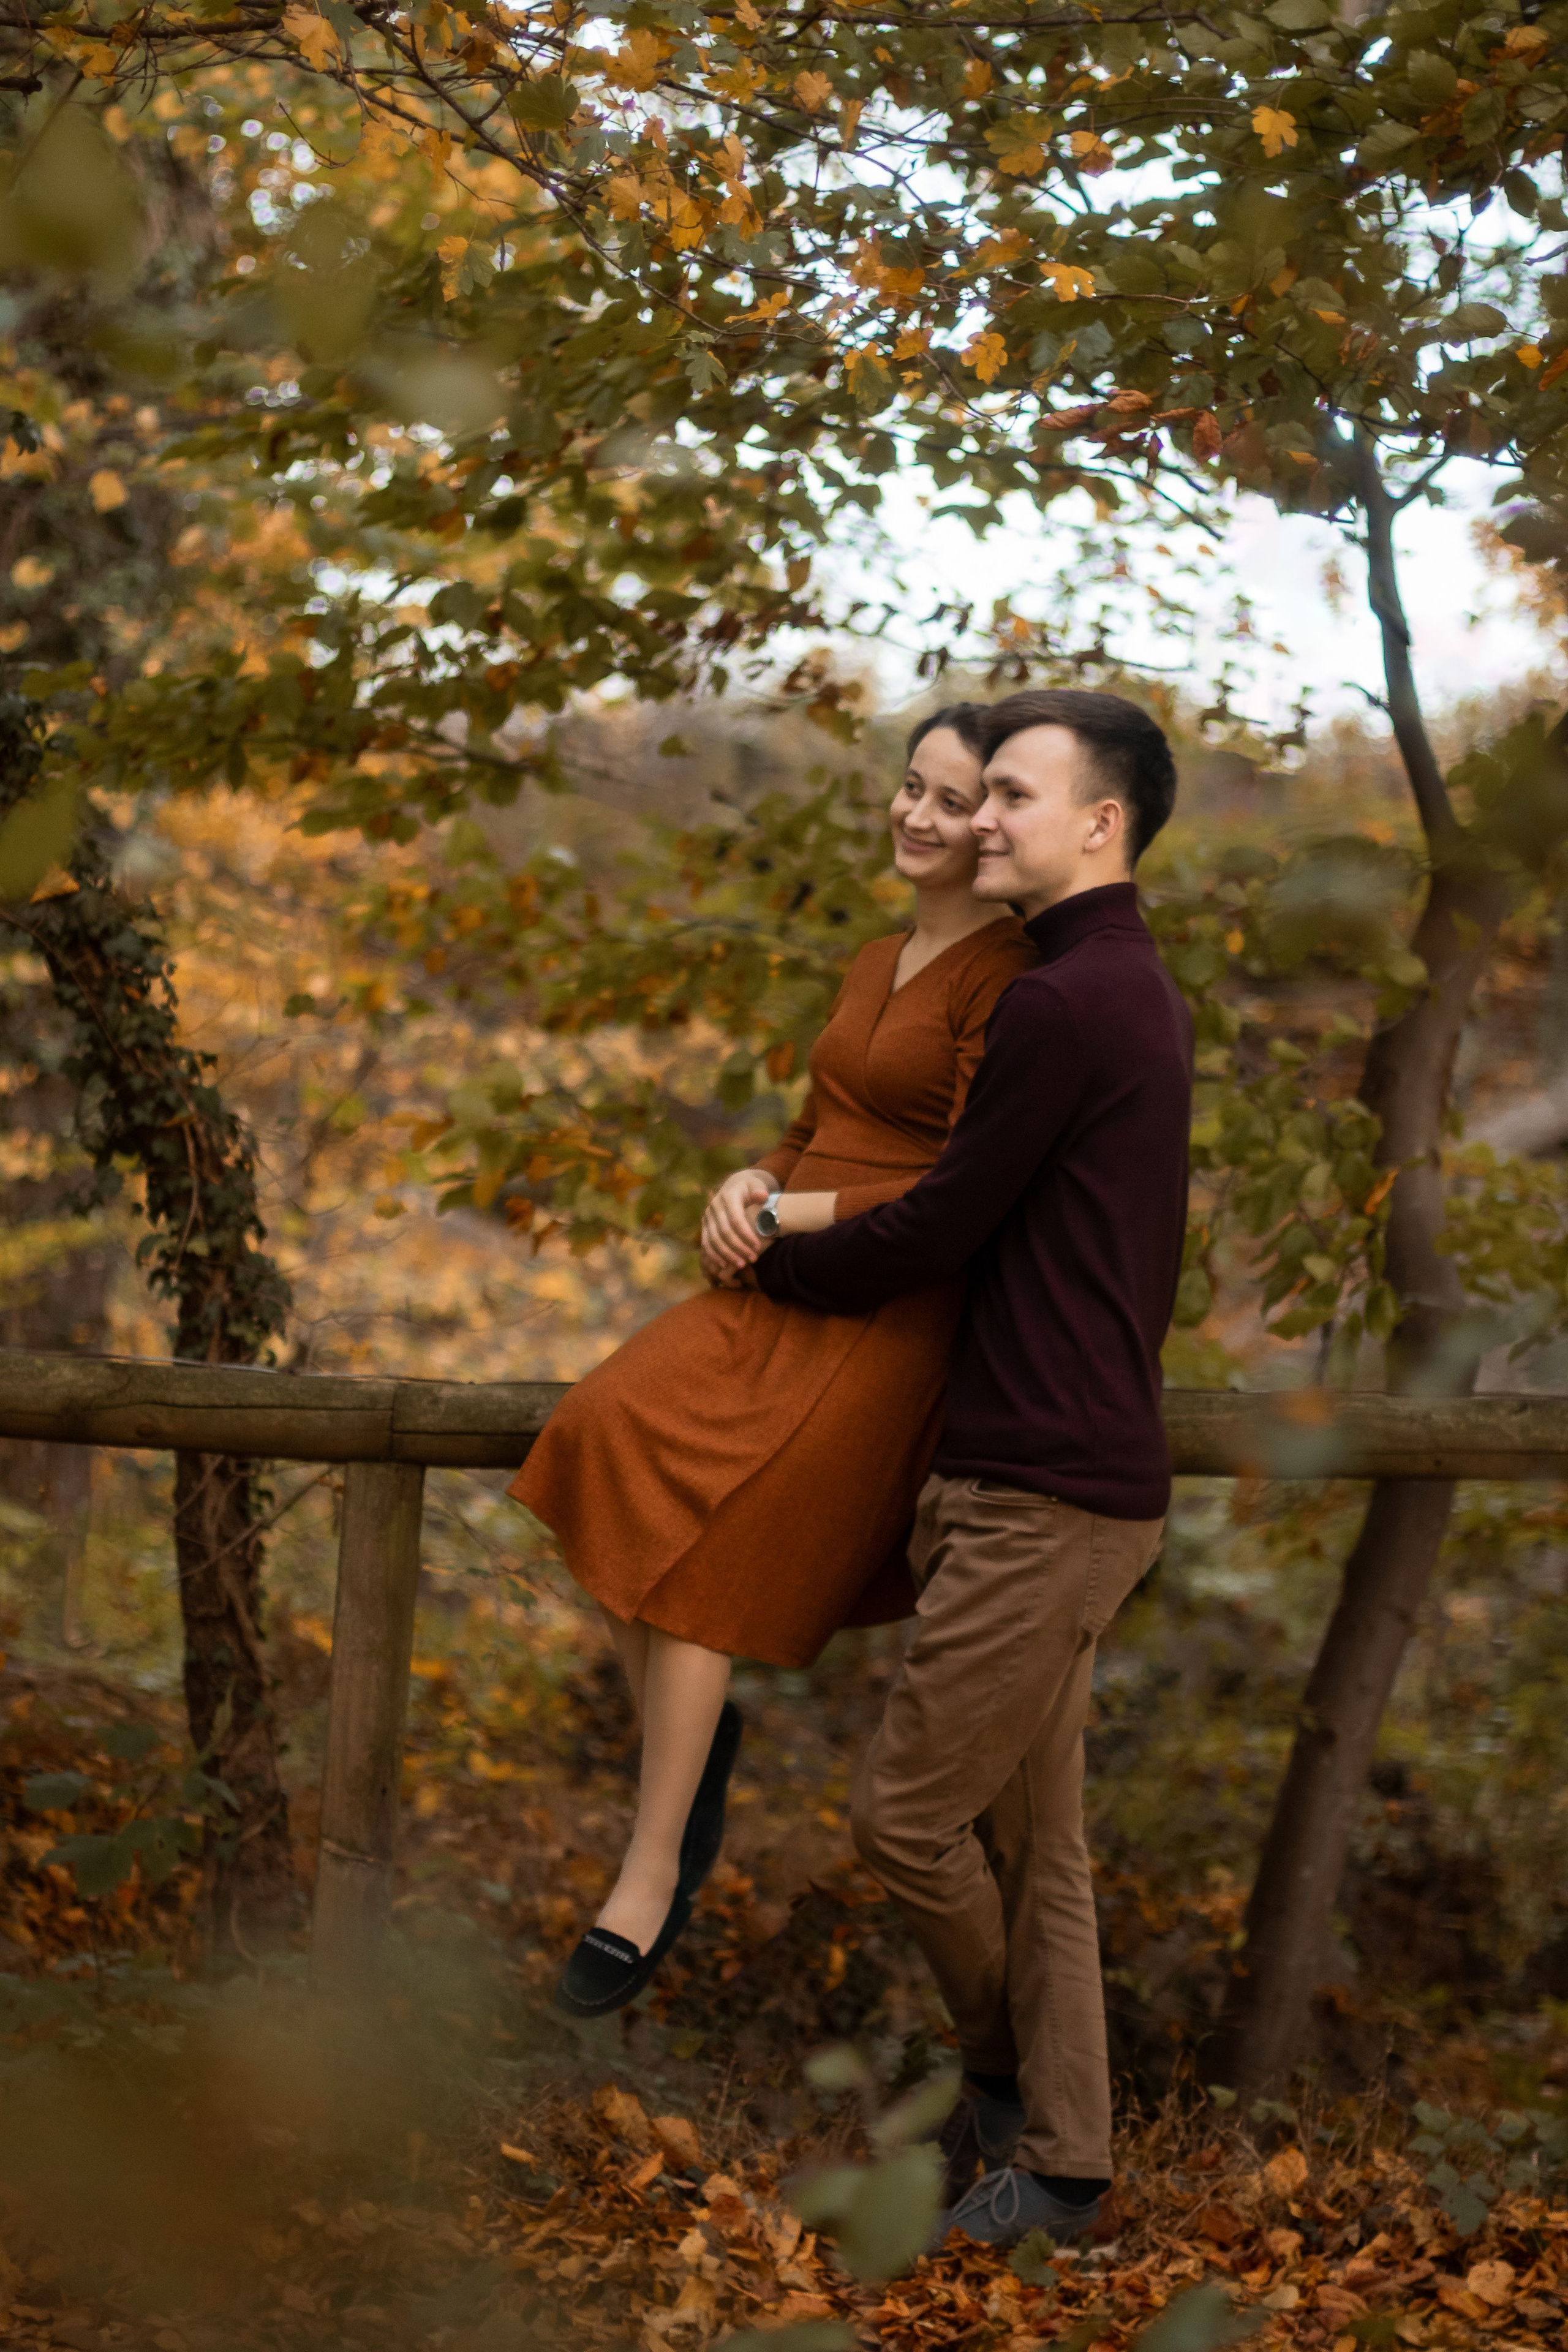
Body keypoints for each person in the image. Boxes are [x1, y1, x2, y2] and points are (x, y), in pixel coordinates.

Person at [733, 687, 1194, 2252]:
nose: (977, 819)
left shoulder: (1070, 1005)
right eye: (972, 793)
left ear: (1098, 824)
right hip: (1033, 1467)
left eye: (1009, 795)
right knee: (1030, 1843)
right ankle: (1059, 2170)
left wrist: (766, 1270)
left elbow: (940, 1225)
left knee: (903, 1822)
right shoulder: (1105, 986)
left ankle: (1009, 2098)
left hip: (1046, 1486)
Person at [509, 704, 1038, 2018]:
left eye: (946, 797)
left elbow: (964, 1185)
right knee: (598, 1429)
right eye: (905, 786)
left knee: (710, 1555)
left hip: (890, 1300)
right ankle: (700, 1745)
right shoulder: (878, 957)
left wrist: (796, 1211)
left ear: (993, 822)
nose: (913, 814)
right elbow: (820, 1123)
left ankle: (652, 1864)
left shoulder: (1009, 976)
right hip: (783, 1266)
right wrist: (751, 1176)